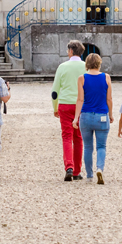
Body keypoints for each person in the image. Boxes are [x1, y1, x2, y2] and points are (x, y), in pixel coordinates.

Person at [73, 52, 112, 184]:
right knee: (101, 146)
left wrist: (76, 118)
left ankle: (89, 175)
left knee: (88, 147)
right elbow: (109, 99)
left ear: (87, 64)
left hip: (86, 115)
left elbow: (80, 99)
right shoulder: (106, 77)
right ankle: (99, 169)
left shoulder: (82, 78)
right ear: (99, 63)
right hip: (102, 115)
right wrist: (111, 114)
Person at [50, 39, 86, 181]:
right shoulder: (86, 66)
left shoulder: (62, 67)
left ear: (71, 51)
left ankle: (69, 167)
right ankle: (77, 171)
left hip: (65, 104)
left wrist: (55, 107)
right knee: (78, 138)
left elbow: (55, 91)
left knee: (66, 137)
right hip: (81, 105)